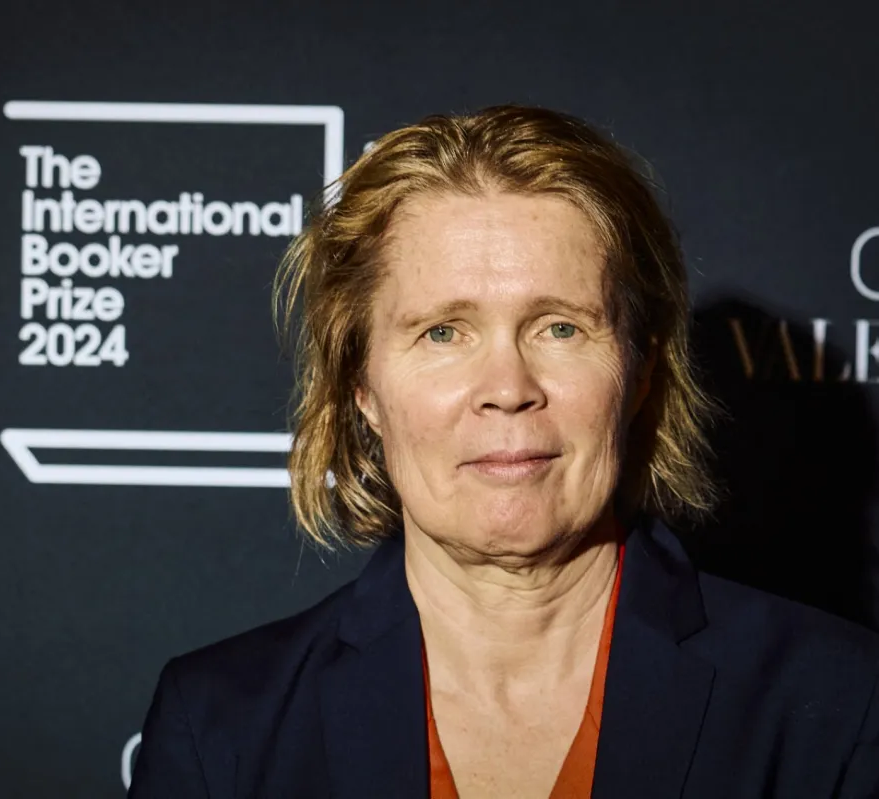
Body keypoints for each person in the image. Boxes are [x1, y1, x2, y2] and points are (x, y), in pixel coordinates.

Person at [128, 105, 879, 798]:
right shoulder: (222, 727)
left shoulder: (839, 705)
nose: (508, 388)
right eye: (443, 332)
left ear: (641, 371)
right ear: (362, 386)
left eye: (560, 327)